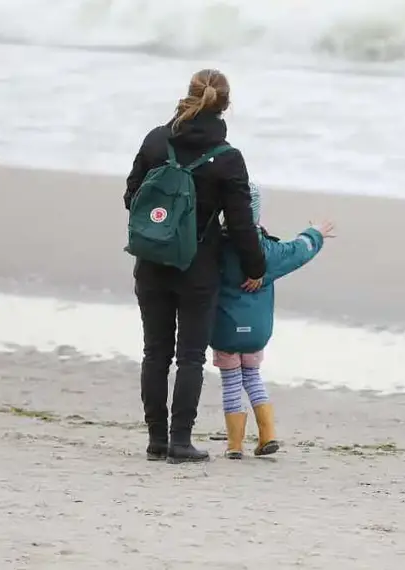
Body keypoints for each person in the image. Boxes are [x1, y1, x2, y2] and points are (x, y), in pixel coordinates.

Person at [124, 69, 267, 464]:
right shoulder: (228, 159)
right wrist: (255, 268)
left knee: (155, 353)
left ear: (188, 95)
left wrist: (164, 222)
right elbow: (241, 224)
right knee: (190, 357)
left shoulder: (156, 140)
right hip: (198, 268)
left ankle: (156, 440)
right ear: (225, 105)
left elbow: (131, 197)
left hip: (151, 261)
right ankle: (180, 442)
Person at [210, 182, 335, 459]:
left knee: (231, 383)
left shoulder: (214, 248)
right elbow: (299, 250)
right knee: (253, 377)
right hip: (257, 332)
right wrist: (315, 232)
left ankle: (234, 446)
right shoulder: (269, 251)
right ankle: (267, 435)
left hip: (224, 330)